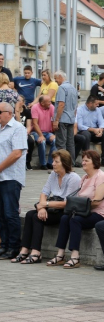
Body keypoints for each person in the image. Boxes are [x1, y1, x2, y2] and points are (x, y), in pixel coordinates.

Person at [47, 150, 104, 268]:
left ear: (94, 162)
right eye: (82, 160)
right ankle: (60, 254)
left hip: (101, 213)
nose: (83, 162)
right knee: (64, 218)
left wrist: (78, 206)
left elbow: (96, 202)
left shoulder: (102, 177)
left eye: (86, 160)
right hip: (86, 211)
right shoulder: (84, 178)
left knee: (75, 220)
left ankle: (75, 256)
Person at [12, 150, 80, 264]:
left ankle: (36, 252)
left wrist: (45, 204)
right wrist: (42, 208)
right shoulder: (54, 174)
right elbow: (44, 193)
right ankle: (24, 250)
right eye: (53, 161)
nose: (53, 163)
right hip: (52, 208)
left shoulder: (73, 178)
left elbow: (67, 203)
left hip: (64, 211)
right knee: (29, 214)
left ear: (64, 163)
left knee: (37, 217)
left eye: (56, 161)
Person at [0, 103, 28, 260]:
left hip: (11, 177)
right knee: (1, 214)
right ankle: (4, 245)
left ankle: (14, 247)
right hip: (1, 177)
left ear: (8, 113)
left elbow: (16, 153)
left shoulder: (18, 128)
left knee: (10, 214)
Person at [76, 96, 104, 167]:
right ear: (90, 103)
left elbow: (102, 123)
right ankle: (86, 159)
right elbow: (80, 126)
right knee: (86, 135)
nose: (98, 105)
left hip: (95, 131)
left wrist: (101, 130)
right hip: (84, 130)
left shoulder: (97, 110)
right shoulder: (80, 110)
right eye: (96, 104)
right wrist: (93, 129)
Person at [53, 70, 78, 161]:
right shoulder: (73, 88)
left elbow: (61, 104)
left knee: (61, 144)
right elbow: (76, 106)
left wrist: (56, 120)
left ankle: (62, 165)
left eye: (56, 79)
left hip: (62, 119)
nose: (56, 81)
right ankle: (71, 164)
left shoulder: (62, 88)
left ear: (60, 77)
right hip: (71, 119)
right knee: (70, 143)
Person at [31, 95, 57, 170]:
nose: (50, 102)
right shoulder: (35, 107)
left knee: (56, 141)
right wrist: (41, 135)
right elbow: (35, 123)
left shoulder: (51, 107)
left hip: (48, 132)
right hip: (36, 132)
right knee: (42, 141)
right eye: (48, 101)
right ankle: (43, 164)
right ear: (42, 103)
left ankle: (50, 162)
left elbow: (55, 121)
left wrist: (55, 134)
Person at [17, 96, 35, 171]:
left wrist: (25, 133)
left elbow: (28, 126)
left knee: (30, 142)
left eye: (19, 101)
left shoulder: (27, 112)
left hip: (24, 132)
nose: (17, 102)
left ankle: (28, 161)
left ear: (23, 102)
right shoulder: (13, 111)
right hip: (16, 133)